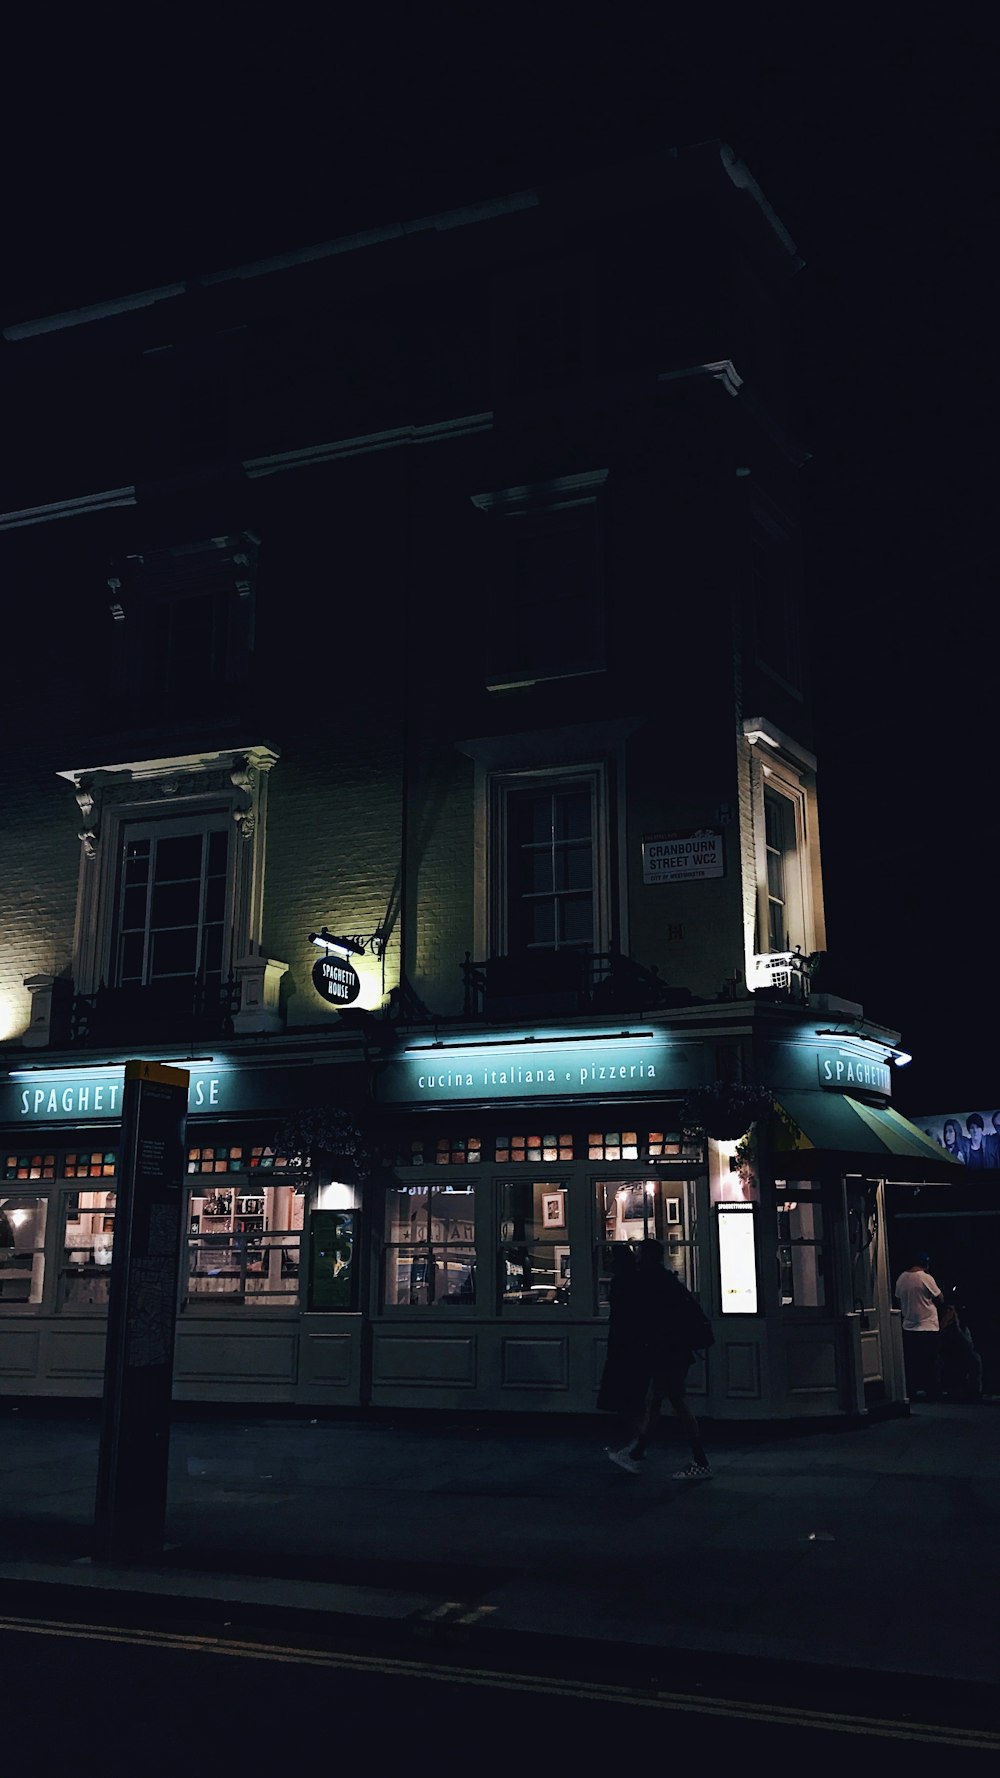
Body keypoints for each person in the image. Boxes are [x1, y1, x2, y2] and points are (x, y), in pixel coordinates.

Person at [605, 1239, 712, 1480]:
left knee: (673, 1401)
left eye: (640, 1252)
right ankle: (637, 1452)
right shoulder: (666, 1279)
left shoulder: (649, 1281)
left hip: (667, 1351)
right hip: (674, 1349)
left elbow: (647, 1318)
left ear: (645, 1255)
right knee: (659, 1400)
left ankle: (700, 1460)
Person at [894, 1252, 945, 1400]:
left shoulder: (901, 1278)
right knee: (931, 1360)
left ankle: (912, 1389)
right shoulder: (925, 1278)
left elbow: (898, 1299)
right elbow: (940, 1297)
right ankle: (933, 1390)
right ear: (926, 1265)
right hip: (928, 1324)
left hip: (909, 1325)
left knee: (913, 1360)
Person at [939, 1301, 984, 1401]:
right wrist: (943, 1325)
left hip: (961, 1354)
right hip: (945, 1355)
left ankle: (975, 1391)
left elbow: (969, 1345)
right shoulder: (937, 1324)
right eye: (947, 1310)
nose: (949, 1312)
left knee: (975, 1358)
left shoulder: (963, 1327)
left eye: (951, 1310)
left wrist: (957, 1327)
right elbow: (937, 1343)